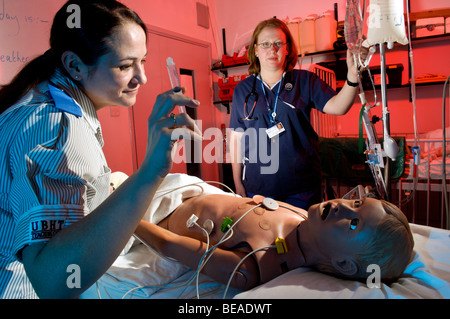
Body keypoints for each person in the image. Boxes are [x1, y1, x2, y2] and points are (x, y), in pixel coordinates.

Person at [0, 0, 200, 299]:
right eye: (125, 66)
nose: (141, 77)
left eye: (142, 60)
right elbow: (53, 282)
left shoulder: (38, 99)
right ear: (75, 65)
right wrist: (151, 171)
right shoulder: (58, 127)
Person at [135, 193, 415, 291]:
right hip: (185, 189)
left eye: (355, 224)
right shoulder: (303, 216)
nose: (343, 206)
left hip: (158, 214)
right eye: (357, 202)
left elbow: (170, 246)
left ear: (342, 262)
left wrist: (124, 218)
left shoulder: (256, 264)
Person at [229, 18, 363, 209]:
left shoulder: (305, 81)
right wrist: (237, 182)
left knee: (302, 237)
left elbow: (338, 107)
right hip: (258, 188)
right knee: (263, 238)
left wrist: (352, 78)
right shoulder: (243, 89)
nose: (272, 49)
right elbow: (236, 139)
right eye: (265, 44)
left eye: (278, 44)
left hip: (302, 188)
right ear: (256, 50)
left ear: (287, 49)